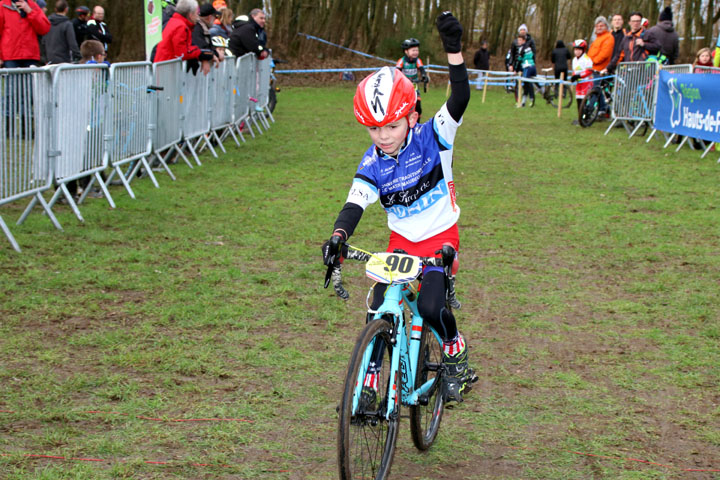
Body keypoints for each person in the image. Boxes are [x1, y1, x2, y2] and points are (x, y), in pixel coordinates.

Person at [322, 12, 477, 404]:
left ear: (410, 116)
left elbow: (459, 97)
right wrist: (339, 235)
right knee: (378, 303)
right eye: (374, 129)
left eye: (391, 126)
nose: (383, 137)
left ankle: (455, 350)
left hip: (441, 236)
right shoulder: (372, 160)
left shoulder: (434, 136)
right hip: (402, 240)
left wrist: (454, 51)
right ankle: (372, 379)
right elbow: (355, 203)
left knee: (428, 303)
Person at [154, 0, 214, 68]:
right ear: (190, 15)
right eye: (196, 13)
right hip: (167, 69)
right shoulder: (180, 27)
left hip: (165, 68)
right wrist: (202, 54)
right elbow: (182, 52)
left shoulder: (174, 22)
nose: (198, 17)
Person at [0, 0, 51, 68]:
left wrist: (30, 11)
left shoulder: (32, 5)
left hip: (30, 55)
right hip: (10, 56)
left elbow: (44, 28)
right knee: (13, 78)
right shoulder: (3, 5)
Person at [587, 16, 613, 115]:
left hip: (600, 69)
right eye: (597, 26)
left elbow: (604, 54)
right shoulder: (596, 39)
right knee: (597, 90)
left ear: (606, 26)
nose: (599, 27)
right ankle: (604, 108)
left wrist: (592, 62)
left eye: (602, 25)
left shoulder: (608, 37)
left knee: (595, 89)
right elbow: (590, 53)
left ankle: (588, 112)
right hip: (592, 69)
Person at [396, 38, 427, 117]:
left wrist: (424, 76)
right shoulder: (401, 61)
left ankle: (417, 124)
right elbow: (397, 73)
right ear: (406, 51)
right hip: (404, 86)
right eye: (413, 50)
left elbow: (422, 69)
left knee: (418, 107)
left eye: (417, 50)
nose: (416, 52)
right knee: (404, 106)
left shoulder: (417, 60)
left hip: (414, 85)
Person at [43, 0, 81, 64]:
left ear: (55, 9)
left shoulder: (47, 23)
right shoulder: (67, 24)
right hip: (63, 60)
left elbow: (43, 41)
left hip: (49, 59)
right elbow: (72, 43)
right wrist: (78, 55)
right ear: (66, 9)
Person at [569, 39, 593, 125]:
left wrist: (579, 76)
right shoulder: (574, 60)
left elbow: (589, 71)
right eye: (576, 49)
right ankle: (580, 117)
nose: (577, 52)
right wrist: (573, 77)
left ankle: (586, 117)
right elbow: (575, 71)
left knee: (584, 100)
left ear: (583, 50)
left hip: (586, 82)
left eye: (579, 50)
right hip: (579, 83)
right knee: (578, 100)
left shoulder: (587, 59)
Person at [192, 2, 223, 68]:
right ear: (209, 17)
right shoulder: (197, 29)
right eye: (215, 17)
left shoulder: (203, 29)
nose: (215, 20)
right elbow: (201, 48)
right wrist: (216, 54)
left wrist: (215, 53)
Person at [514, 34, 536, 107]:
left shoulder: (522, 49)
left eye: (520, 40)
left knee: (527, 84)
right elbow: (533, 56)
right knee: (529, 83)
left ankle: (531, 98)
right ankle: (524, 101)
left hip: (527, 67)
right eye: (518, 40)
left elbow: (519, 61)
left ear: (524, 40)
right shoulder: (529, 48)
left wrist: (516, 70)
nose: (518, 41)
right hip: (533, 66)